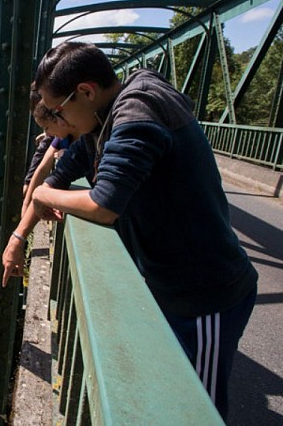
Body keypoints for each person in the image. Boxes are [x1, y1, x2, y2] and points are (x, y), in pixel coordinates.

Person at [29, 41, 258, 419]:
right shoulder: (103, 119)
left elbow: (103, 205)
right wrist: (36, 204)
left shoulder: (137, 111)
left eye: (57, 111)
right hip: (169, 285)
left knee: (196, 407)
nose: (60, 122)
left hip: (204, 294)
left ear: (85, 92)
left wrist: (42, 194)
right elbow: (64, 171)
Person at [2, 97, 78, 287]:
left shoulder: (83, 142)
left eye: (46, 128)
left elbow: (104, 204)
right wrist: (26, 208)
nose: (46, 135)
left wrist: (45, 196)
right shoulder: (61, 138)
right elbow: (42, 170)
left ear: (60, 119)